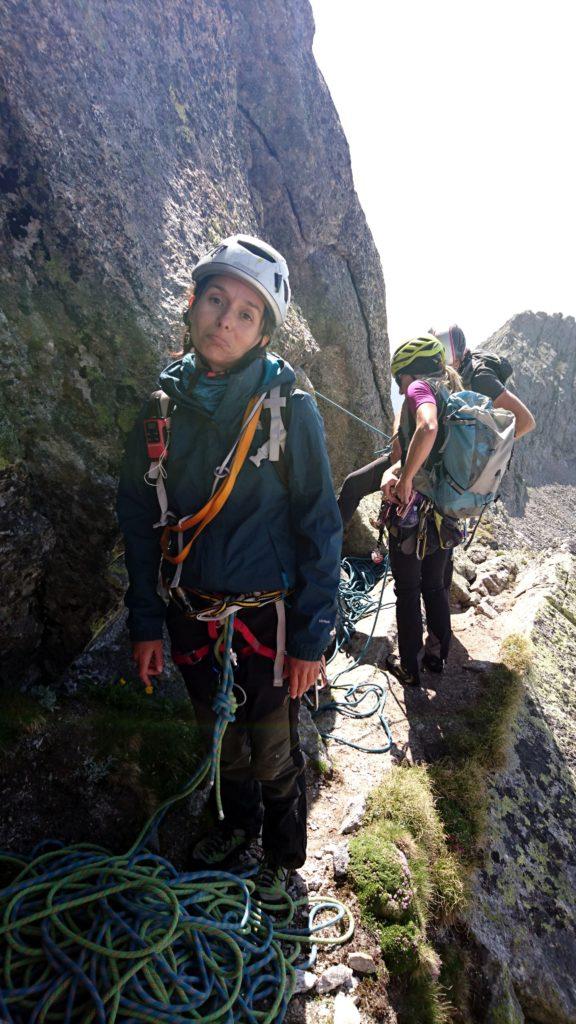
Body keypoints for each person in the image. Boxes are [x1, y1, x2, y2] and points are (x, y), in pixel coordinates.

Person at [117, 234, 342, 893]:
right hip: (188, 616)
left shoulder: (287, 411)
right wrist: (145, 623)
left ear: (263, 334)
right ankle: (239, 832)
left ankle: (284, 860)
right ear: (191, 305)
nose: (226, 319)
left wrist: (309, 638)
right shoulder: (161, 408)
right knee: (221, 736)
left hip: (263, 619)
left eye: (247, 313)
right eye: (217, 300)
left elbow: (321, 527)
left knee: (271, 747)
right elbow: (138, 518)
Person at [380, 335, 463, 686]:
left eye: (399, 379)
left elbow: (427, 427)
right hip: (445, 511)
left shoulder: (419, 389)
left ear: (409, 372)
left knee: (408, 590)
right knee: (434, 588)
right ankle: (436, 659)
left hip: (415, 513)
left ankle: (411, 670)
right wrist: (395, 470)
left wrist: (406, 480)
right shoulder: (448, 392)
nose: (401, 390)